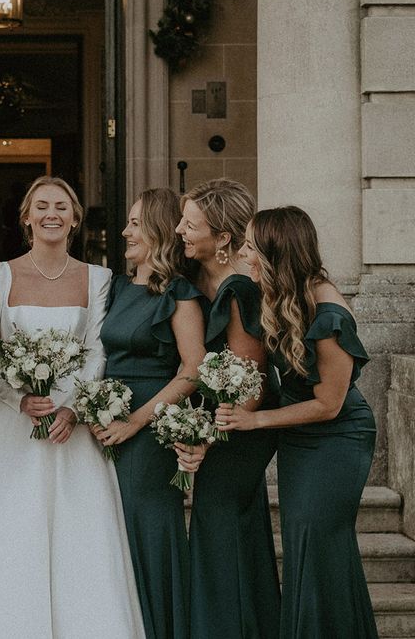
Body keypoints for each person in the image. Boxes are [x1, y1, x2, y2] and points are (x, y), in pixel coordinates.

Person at [0, 176, 145, 639]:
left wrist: (73, 410)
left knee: (79, 538)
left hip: (72, 428)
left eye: (62, 207)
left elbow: (97, 350)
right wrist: (19, 397)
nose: (52, 214)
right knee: (7, 535)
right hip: (11, 425)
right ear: (25, 217)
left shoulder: (98, 278)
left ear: (76, 219)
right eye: (41, 206)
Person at [218, 206, 378, 639]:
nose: (243, 254)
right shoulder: (276, 293)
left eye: (250, 246)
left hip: (338, 438)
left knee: (318, 539)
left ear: (275, 253)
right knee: (303, 543)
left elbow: (329, 403)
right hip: (299, 438)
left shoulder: (329, 315)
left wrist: (256, 421)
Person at [94, 188, 208, 639]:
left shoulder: (180, 292)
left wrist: (137, 420)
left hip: (148, 426)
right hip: (109, 422)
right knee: (112, 531)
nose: (125, 231)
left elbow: (194, 367)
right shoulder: (119, 286)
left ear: (159, 230)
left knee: (146, 527)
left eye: (136, 223)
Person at [175, 179, 281, 638]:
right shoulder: (206, 280)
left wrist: (207, 437)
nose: (180, 229)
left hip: (240, 427)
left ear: (222, 238)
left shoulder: (240, 287)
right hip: (224, 420)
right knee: (236, 530)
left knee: (219, 529)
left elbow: (250, 383)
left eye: (189, 223)